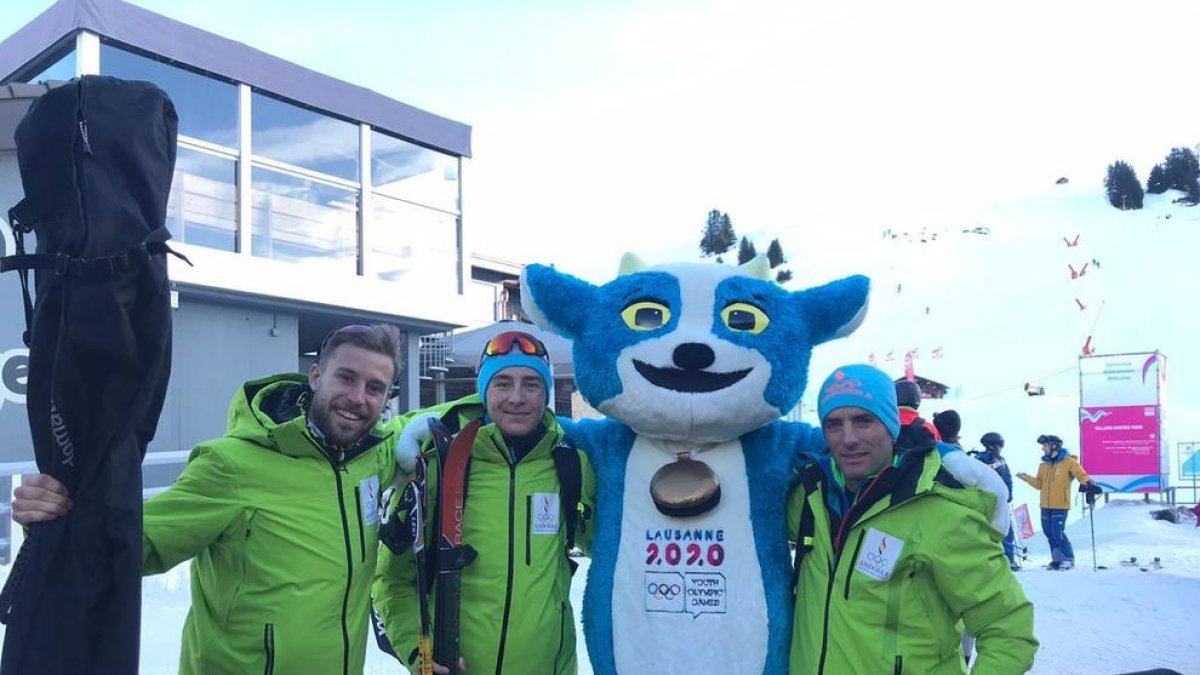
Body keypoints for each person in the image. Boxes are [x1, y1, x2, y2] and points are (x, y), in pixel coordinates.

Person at [12, 324, 403, 675]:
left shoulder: (372, 458)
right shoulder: (232, 465)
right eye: (346, 377)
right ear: (315, 376)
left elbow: (425, 422)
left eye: (375, 388)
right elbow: (130, 543)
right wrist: (56, 516)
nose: (358, 397)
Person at [788, 364, 1037, 674]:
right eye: (834, 424)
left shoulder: (941, 512)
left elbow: (1009, 629)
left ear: (891, 425)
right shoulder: (808, 498)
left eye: (864, 421)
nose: (848, 438)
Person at [373, 330, 594, 675]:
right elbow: (392, 582)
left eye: (532, 384)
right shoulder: (440, 464)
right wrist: (420, 654)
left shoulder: (570, 464)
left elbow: (608, 547)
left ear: (546, 392)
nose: (517, 398)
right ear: (483, 391)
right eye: (503, 383)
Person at [1016, 433, 1094, 570]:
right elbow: (1039, 484)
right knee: (1048, 532)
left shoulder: (1069, 462)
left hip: (1060, 505)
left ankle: (1068, 558)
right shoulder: (1043, 465)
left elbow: (1081, 475)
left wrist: (1088, 484)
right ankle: (1057, 559)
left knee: (1057, 532)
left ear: (1054, 446)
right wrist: (1026, 478)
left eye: (1045, 446)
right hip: (1045, 505)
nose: (1042, 449)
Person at [975, 432, 1019, 570]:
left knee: (1002, 530)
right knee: (1002, 530)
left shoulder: (997, 460)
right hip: (989, 501)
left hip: (991, 500)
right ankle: (1004, 559)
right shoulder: (982, 459)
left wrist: (1009, 494)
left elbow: (1007, 478)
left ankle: (1007, 559)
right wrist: (1008, 494)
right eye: (1000, 446)